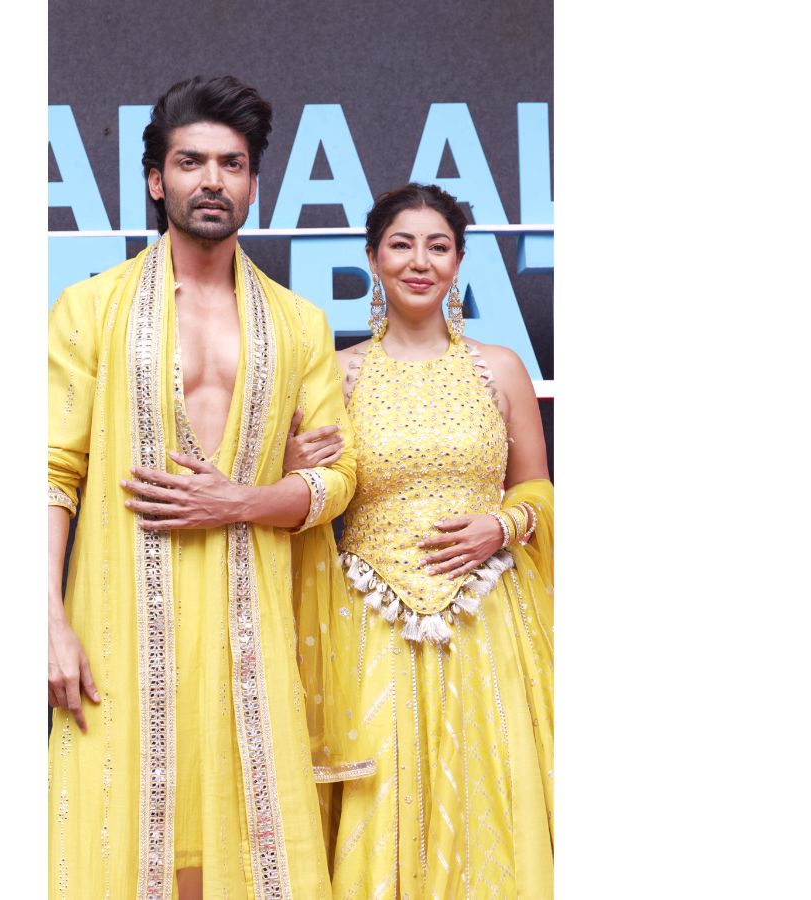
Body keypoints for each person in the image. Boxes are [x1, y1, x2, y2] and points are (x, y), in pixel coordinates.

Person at [47, 75, 361, 900]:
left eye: (232, 163)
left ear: (254, 183)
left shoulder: (299, 324)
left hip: (250, 628)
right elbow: (51, 472)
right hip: (117, 621)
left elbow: (336, 479)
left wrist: (242, 500)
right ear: (157, 180)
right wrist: (47, 618)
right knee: (118, 836)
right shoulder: (90, 310)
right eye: (191, 162)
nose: (212, 180)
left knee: (248, 846)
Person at [289, 183, 554, 897]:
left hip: (487, 617)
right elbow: (310, 490)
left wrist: (501, 525)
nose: (419, 261)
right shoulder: (337, 374)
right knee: (382, 791)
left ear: (459, 261)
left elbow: (537, 487)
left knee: (492, 788)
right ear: (373, 257)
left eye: (438, 246)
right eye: (401, 244)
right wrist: (290, 462)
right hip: (369, 621)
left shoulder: (500, 368)